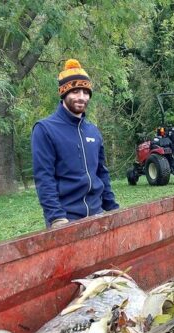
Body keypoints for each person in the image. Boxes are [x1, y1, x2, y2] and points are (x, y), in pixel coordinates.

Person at [32, 59, 119, 229]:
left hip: (97, 214)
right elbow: (44, 178)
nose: (81, 97)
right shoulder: (45, 129)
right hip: (66, 218)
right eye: (75, 91)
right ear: (64, 93)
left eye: (86, 92)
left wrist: (112, 207)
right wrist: (56, 218)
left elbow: (101, 173)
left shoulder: (93, 131)